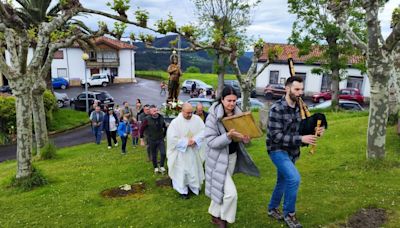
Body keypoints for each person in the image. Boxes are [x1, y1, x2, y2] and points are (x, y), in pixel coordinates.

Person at [266, 76, 324, 228]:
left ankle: (272, 208)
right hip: (277, 150)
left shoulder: (301, 108)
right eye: (297, 89)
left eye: (301, 89)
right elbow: (276, 136)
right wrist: (301, 139)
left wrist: (317, 131)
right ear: (287, 89)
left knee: (283, 180)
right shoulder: (276, 109)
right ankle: (289, 214)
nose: (300, 93)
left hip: (292, 151)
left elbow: (304, 129)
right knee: (294, 178)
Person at [204, 86, 260, 227]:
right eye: (228, 100)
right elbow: (211, 142)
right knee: (231, 193)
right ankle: (223, 218)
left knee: (220, 188)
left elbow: (243, 138)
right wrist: (228, 136)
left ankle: (214, 214)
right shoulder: (213, 117)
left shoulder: (239, 114)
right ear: (222, 99)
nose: (232, 104)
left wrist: (246, 139)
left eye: (234, 100)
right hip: (217, 159)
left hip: (232, 157)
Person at [166, 103, 205, 199]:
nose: (190, 115)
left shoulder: (197, 119)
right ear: (182, 111)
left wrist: (195, 140)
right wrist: (186, 142)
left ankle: (194, 188)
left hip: (193, 151)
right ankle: (183, 191)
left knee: (193, 169)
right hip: (181, 153)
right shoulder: (175, 123)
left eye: (191, 112)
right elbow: (172, 139)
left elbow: (203, 131)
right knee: (182, 171)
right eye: (187, 113)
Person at [140, 105, 167, 174]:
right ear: (150, 112)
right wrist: (141, 139)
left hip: (160, 138)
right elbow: (142, 129)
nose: (156, 112)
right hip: (152, 139)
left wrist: (164, 135)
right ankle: (155, 167)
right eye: (154, 111)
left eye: (156, 110)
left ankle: (161, 166)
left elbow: (164, 126)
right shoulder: (147, 119)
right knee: (154, 154)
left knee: (163, 153)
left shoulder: (161, 117)